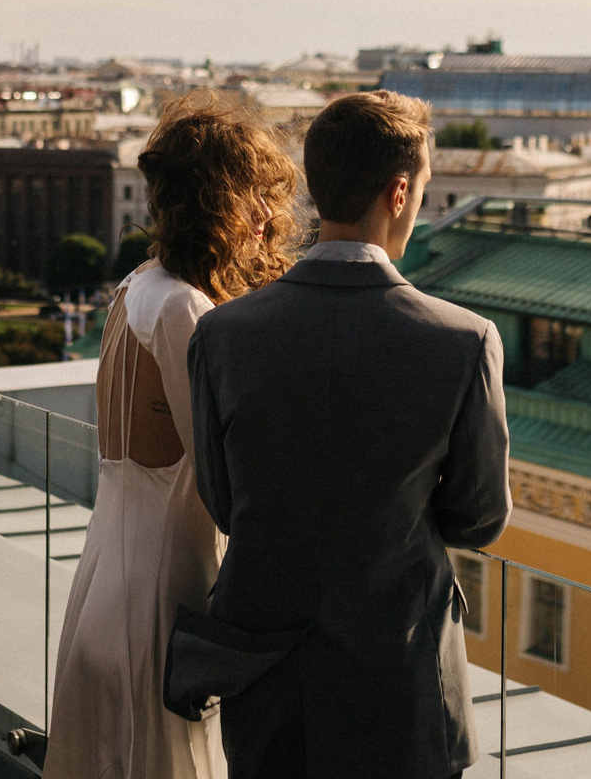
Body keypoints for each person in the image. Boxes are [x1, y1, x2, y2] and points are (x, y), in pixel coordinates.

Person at [187, 90, 511, 778]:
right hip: (402, 684)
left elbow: (226, 503)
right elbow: (479, 518)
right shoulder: (464, 341)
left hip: (267, 681)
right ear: (399, 192)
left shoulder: (221, 335)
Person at [45, 93, 302, 779]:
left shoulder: (137, 286)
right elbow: (228, 486)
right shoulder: (187, 310)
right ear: (219, 203)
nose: (267, 216)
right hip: (164, 605)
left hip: (106, 582)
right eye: (255, 196)